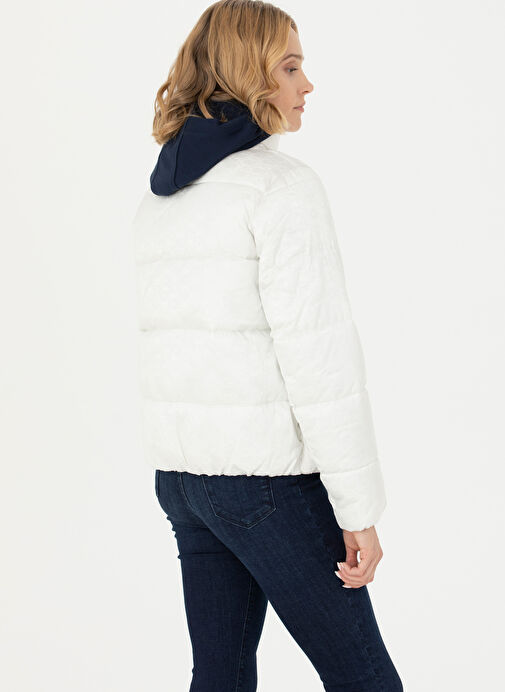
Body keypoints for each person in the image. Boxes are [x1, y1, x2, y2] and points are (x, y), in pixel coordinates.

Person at [131, 1, 404, 690]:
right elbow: (319, 360)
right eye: (289, 67)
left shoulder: (163, 198)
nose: (307, 84)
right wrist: (358, 511)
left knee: (220, 677)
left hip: (184, 481)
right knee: (365, 679)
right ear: (246, 75)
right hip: (265, 486)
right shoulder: (281, 190)